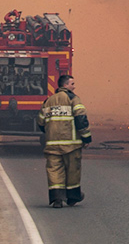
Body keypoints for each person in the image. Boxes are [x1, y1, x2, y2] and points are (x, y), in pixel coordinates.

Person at [37, 74, 91, 208]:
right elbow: (81, 119)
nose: (74, 86)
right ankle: (72, 197)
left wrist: (50, 133)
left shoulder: (48, 101)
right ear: (65, 85)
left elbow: (41, 122)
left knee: (54, 171)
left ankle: (57, 199)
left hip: (52, 145)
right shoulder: (73, 99)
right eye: (72, 84)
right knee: (73, 170)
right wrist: (86, 137)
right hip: (71, 145)